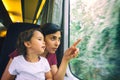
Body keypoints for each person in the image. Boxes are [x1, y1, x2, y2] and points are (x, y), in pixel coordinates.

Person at [1, 23, 80, 80]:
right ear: (42, 37)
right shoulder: (19, 53)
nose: (57, 44)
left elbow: (55, 79)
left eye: (59, 39)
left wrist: (65, 59)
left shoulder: (51, 55)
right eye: (53, 38)